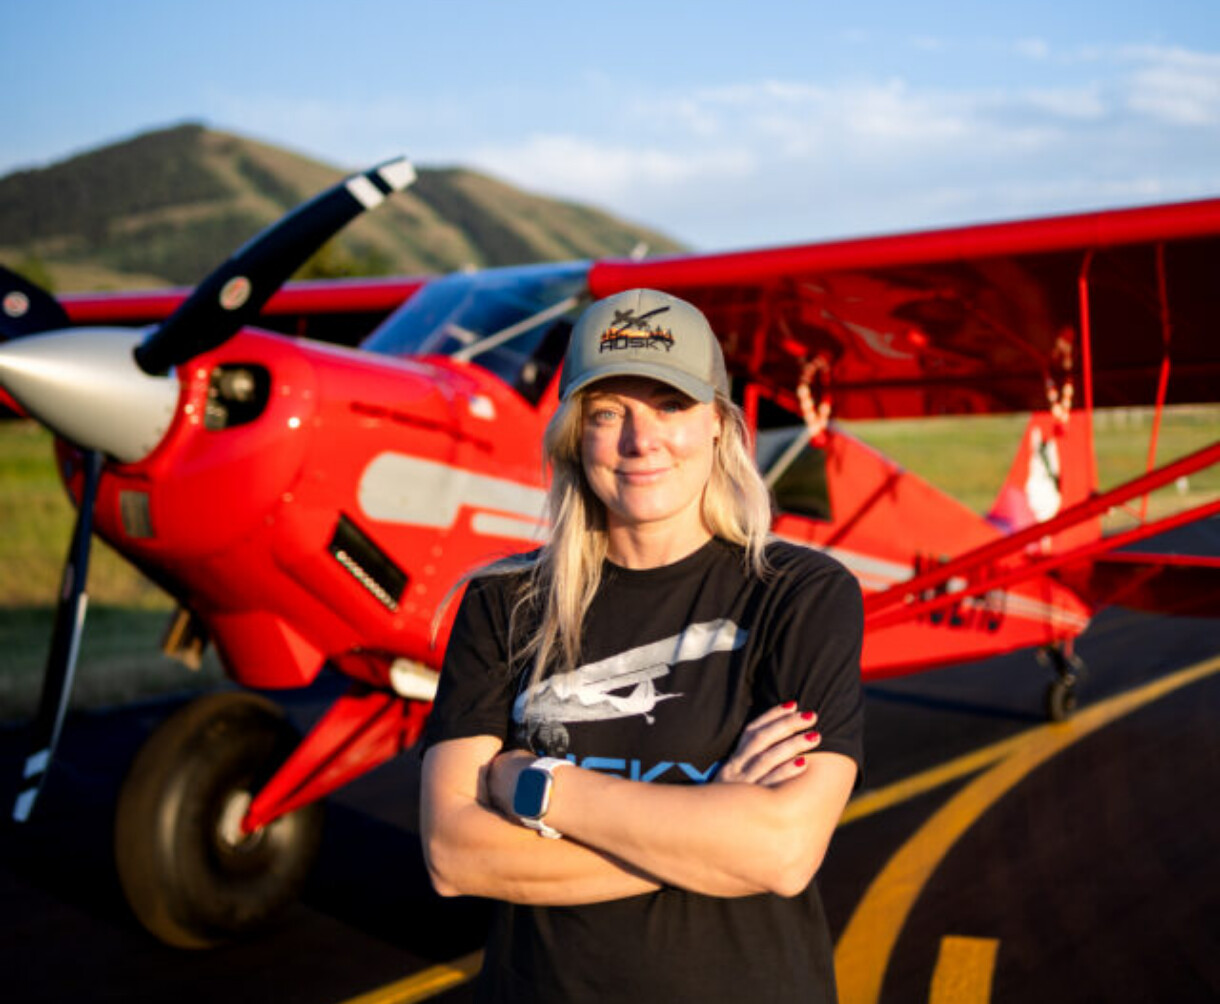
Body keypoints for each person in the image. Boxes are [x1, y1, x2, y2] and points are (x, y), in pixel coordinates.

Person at [419, 288, 864, 1003]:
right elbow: (453, 856)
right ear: (573, 437)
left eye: (671, 404)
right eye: (607, 413)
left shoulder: (800, 594)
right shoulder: (501, 604)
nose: (641, 439)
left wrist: (535, 787)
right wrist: (713, 827)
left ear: (720, 424)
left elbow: (783, 853)